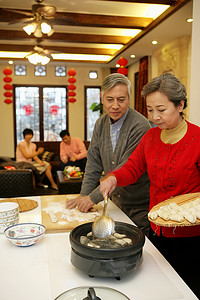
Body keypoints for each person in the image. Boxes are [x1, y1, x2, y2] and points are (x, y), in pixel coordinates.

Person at [99, 73, 200, 298]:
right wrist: (114, 178)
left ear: (180, 104)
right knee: (159, 289)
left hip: (191, 238)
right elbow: (133, 168)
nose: (154, 117)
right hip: (155, 228)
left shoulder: (198, 138)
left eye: (161, 110)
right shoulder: (151, 137)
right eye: (150, 110)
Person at [66, 73, 151, 236]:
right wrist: (84, 195)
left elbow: (125, 168)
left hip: (138, 207)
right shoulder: (100, 123)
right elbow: (93, 163)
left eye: (121, 99)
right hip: (114, 202)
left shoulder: (140, 125)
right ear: (102, 98)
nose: (115, 105)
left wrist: (92, 198)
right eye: (110, 99)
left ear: (129, 98)